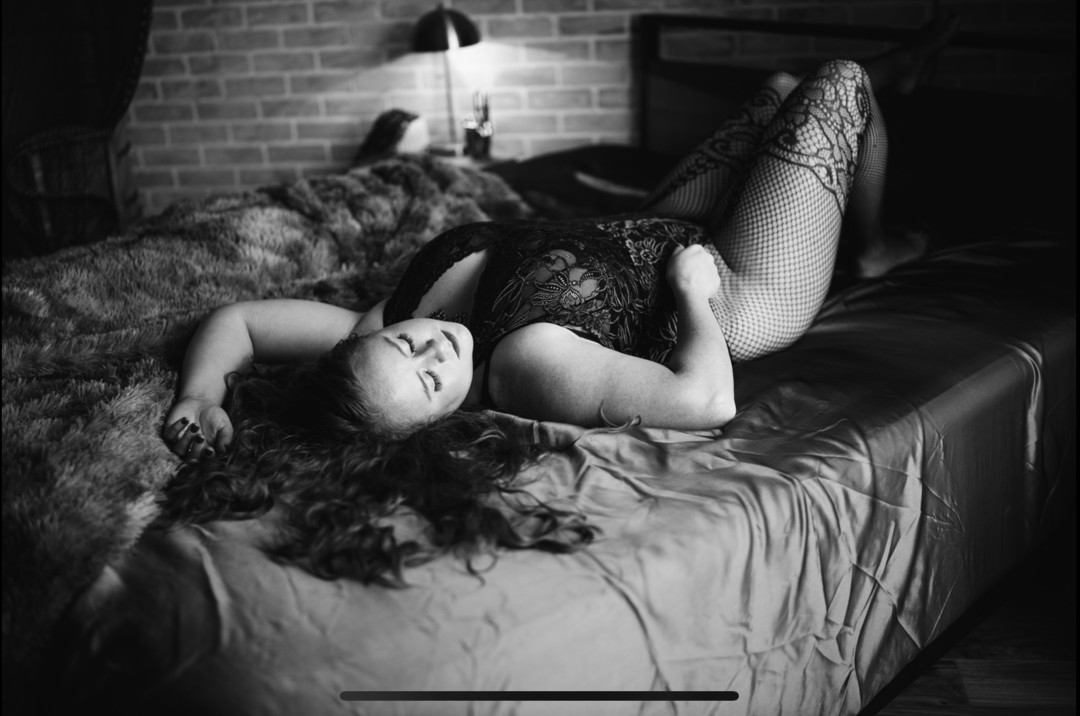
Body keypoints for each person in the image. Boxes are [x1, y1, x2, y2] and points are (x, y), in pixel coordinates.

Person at [159, 16, 958, 584]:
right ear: (437, 419)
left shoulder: (389, 319)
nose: (434, 347)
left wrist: (200, 391)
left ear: (363, 341)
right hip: (734, 282)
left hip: (657, 223)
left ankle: (887, 104)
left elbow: (241, 323)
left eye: (407, 345)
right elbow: (706, 401)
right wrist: (693, 294)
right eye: (432, 380)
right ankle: (873, 244)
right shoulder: (526, 363)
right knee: (838, 85)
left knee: (779, 88)